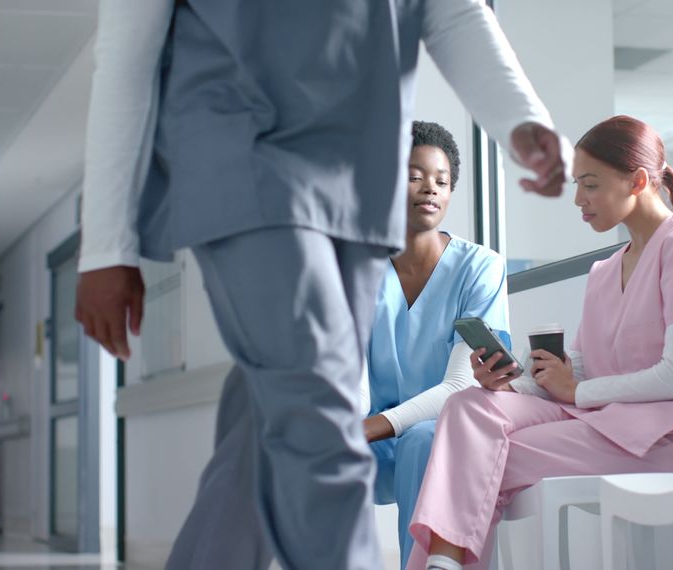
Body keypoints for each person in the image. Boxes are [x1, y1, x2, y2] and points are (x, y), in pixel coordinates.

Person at [73, 1, 569, 568]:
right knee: (320, 421)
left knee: (265, 425)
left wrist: (520, 119)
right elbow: (125, 51)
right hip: (245, 157)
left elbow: (453, 13)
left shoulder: (474, 264)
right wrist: (105, 245)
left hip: (357, 184)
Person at [407, 115, 673, 570]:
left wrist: (576, 391)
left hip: (660, 436)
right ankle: (444, 566)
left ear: (637, 180)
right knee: (470, 404)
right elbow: (581, 365)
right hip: (599, 417)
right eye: (577, 185)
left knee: (482, 459)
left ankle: (441, 566)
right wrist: (513, 383)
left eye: (590, 184)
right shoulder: (605, 270)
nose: (579, 199)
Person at [362, 121, 510, 568]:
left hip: (446, 426)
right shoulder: (357, 271)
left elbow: (461, 385)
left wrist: (367, 428)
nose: (430, 189)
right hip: (375, 431)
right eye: (413, 176)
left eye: (442, 181)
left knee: (422, 441)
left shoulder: (479, 268)